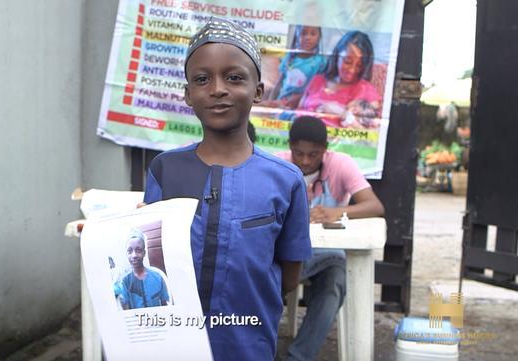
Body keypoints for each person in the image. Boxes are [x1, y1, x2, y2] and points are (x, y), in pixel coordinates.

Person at [142, 17, 311, 361]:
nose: (217, 89)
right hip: (171, 347)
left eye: (234, 77)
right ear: (188, 94)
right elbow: (151, 257)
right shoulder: (165, 169)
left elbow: (289, 275)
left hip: (247, 345)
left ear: (259, 91)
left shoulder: (286, 179)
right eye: (202, 79)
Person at [277, 115, 384, 361]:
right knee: (265, 281)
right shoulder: (278, 166)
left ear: (325, 151)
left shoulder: (341, 165)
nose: (305, 160)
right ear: (289, 148)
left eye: (313, 154)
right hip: (287, 255)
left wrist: (337, 212)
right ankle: (263, 351)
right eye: (298, 153)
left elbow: (374, 206)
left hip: (327, 255)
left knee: (334, 285)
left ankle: (298, 357)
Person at [297, 30, 382, 129]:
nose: (352, 70)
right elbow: (297, 111)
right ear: (337, 55)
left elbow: (373, 134)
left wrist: (341, 112)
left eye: (359, 66)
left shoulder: (366, 90)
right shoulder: (317, 80)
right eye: (347, 61)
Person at [264, 25, 327, 109]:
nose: (308, 37)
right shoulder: (289, 57)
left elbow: (319, 90)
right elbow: (279, 83)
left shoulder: (321, 62)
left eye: (313, 34)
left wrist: (299, 97)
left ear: (319, 37)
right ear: (297, 35)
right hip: (281, 103)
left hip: (304, 105)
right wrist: (270, 102)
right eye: (303, 33)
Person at [116, 229, 170, 310]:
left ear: (144, 253)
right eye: (130, 251)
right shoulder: (125, 281)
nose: (134, 255)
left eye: (138, 250)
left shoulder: (158, 277)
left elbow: (165, 305)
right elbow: (125, 310)